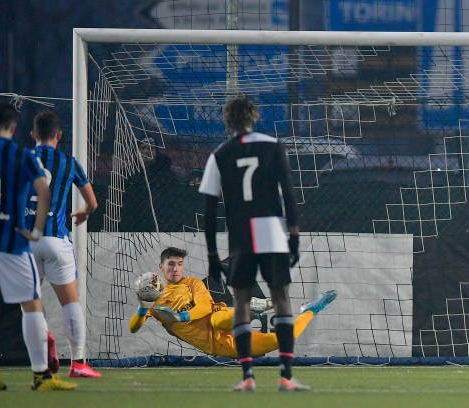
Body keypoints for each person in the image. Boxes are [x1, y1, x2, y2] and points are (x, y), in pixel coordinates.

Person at [198, 97, 323, 392]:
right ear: (253, 117)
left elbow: (208, 210)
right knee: (281, 298)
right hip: (271, 232)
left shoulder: (220, 154)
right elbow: (289, 194)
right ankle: (285, 375)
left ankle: (247, 377)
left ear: (227, 121)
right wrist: (294, 235)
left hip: (240, 235)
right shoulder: (272, 145)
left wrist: (213, 253)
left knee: (241, 301)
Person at [0, 101, 76, 391]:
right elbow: (43, 193)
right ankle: (41, 376)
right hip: (11, 242)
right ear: (14, 129)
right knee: (32, 304)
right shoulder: (22, 156)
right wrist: (36, 231)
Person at [129, 247, 335, 360]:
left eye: (179, 264)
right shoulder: (154, 299)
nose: (176, 269)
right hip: (219, 344)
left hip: (219, 317)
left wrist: (180, 317)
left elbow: (203, 307)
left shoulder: (191, 283)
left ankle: (252, 310)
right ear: (161, 267)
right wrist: (142, 309)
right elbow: (133, 328)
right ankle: (308, 310)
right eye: (171, 264)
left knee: (217, 317)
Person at [25, 109, 101, 378]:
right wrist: (83, 212)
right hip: (56, 241)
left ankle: (43, 349)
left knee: (29, 305)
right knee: (71, 303)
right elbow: (92, 203)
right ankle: (78, 363)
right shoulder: (69, 162)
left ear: (33, 135)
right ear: (59, 135)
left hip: (24, 244)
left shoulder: (20, 160)